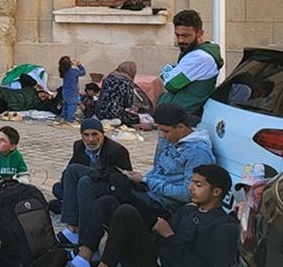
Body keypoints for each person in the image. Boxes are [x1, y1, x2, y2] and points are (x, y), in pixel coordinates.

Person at [68, 102, 215, 263]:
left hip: (160, 205)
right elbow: (158, 169)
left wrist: (146, 180)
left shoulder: (198, 153)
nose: (162, 135)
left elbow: (187, 193)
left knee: (93, 185)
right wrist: (139, 178)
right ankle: (84, 255)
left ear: (181, 127)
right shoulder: (172, 141)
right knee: (97, 185)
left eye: (165, 131)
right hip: (146, 192)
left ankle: (84, 249)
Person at [68, 164, 239, 267]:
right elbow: (158, 237)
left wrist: (169, 235)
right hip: (153, 255)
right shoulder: (188, 210)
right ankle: (83, 258)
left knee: (126, 212)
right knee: (108, 201)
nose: (191, 188)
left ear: (217, 192)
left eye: (198, 185)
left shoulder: (220, 225)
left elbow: (196, 264)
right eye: (192, 183)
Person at [52, 118, 133, 243]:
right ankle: (73, 216)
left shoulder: (117, 151)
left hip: (107, 186)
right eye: (86, 135)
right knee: (58, 188)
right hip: (83, 184)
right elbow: (68, 172)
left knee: (80, 178)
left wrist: (95, 175)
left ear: (102, 135)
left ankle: (74, 229)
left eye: (95, 134)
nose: (90, 139)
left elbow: (123, 182)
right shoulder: (79, 146)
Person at [158, 10, 223, 115]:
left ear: (199, 33)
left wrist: (167, 71)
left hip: (183, 119)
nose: (180, 40)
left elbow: (171, 84)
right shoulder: (194, 52)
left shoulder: (199, 58)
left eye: (185, 36)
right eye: (177, 35)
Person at [59, 56, 86, 124]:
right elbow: (83, 72)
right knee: (71, 106)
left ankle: (63, 117)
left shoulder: (63, 71)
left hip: (65, 91)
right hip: (72, 91)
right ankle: (70, 119)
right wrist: (79, 65)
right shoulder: (74, 71)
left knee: (65, 105)